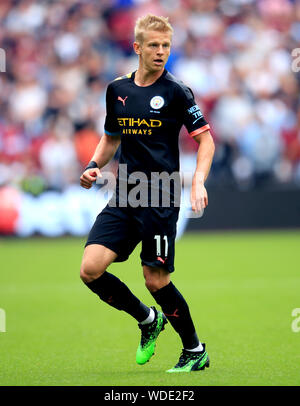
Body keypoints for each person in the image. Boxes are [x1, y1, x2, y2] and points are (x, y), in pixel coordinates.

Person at [79, 14, 215, 373]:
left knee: (155, 279)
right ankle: (147, 319)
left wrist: (198, 179)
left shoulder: (177, 91)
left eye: (166, 45)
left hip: (161, 195)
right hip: (125, 194)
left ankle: (194, 350)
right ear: (137, 47)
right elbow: (111, 137)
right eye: (153, 45)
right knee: (90, 269)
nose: (160, 51)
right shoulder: (117, 90)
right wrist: (94, 164)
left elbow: (205, 140)